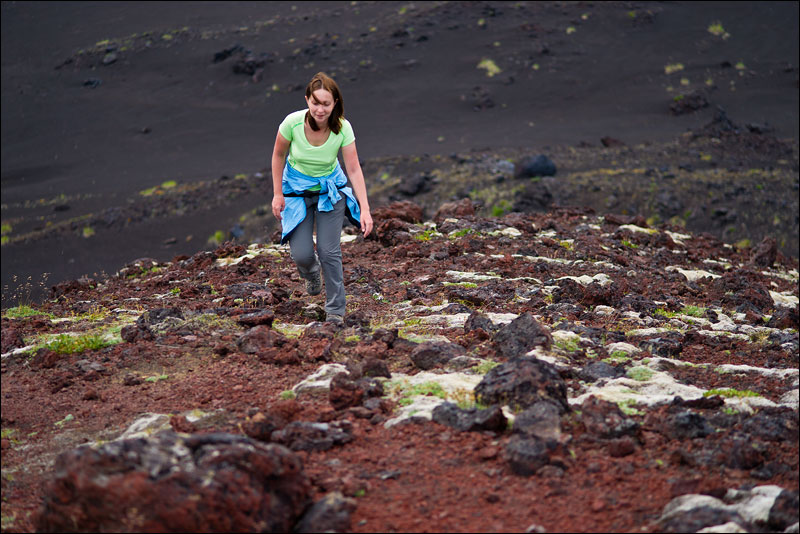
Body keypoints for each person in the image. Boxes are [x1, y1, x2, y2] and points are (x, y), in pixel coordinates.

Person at [271, 72, 373, 325]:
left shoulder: (343, 128)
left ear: (335, 103)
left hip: (330, 192)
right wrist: (277, 194)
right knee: (303, 255)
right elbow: (277, 156)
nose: (320, 109)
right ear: (307, 100)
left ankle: (336, 311)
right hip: (296, 193)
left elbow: (353, 169)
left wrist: (366, 209)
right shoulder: (292, 123)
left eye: (326, 104)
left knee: (329, 252)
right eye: (315, 102)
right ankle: (311, 273)